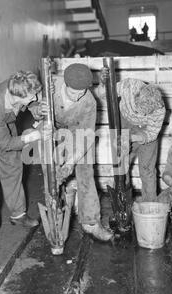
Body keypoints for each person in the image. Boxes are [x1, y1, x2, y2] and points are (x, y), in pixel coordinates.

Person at [0, 71, 50, 254]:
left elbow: (29, 105)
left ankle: (18, 214)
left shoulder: (20, 86)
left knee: (14, 171)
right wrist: (32, 136)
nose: (36, 97)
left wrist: (38, 109)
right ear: (18, 96)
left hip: (7, 126)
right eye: (33, 96)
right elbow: (5, 143)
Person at [50, 63, 113, 241]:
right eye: (73, 93)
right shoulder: (51, 87)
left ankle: (91, 223)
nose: (78, 98)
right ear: (65, 85)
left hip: (79, 132)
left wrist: (71, 162)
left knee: (85, 171)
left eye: (82, 92)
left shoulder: (89, 101)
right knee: (51, 171)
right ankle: (56, 214)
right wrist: (40, 112)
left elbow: (87, 136)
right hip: (52, 131)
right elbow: (34, 106)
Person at [98, 72, 166, 202]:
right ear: (136, 96)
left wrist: (132, 138)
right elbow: (104, 94)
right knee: (121, 165)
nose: (143, 115)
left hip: (146, 130)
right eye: (141, 110)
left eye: (147, 113)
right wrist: (103, 82)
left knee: (147, 170)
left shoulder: (159, 109)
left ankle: (149, 206)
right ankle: (123, 202)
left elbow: (151, 134)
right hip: (126, 123)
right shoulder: (128, 86)